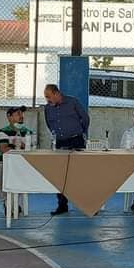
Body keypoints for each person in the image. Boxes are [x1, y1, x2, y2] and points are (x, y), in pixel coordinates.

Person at [43, 84, 89, 216]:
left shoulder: (72, 102)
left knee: (80, 173)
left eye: (49, 96)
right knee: (60, 175)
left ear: (57, 93)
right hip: (60, 142)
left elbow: (85, 119)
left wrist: (80, 132)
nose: (47, 100)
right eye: (46, 97)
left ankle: (87, 204)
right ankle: (62, 205)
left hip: (76, 141)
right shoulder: (47, 108)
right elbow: (49, 124)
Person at [0, 106, 34, 215]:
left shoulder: (28, 132)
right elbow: (4, 149)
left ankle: (13, 203)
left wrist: (16, 144)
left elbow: (32, 149)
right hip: (3, 163)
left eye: (22, 114)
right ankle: (7, 201)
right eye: (18, 114)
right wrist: (22, 145)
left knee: (22, 180)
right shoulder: (3, 132)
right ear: (9, 117)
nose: (21, 116)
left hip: (21, 164)